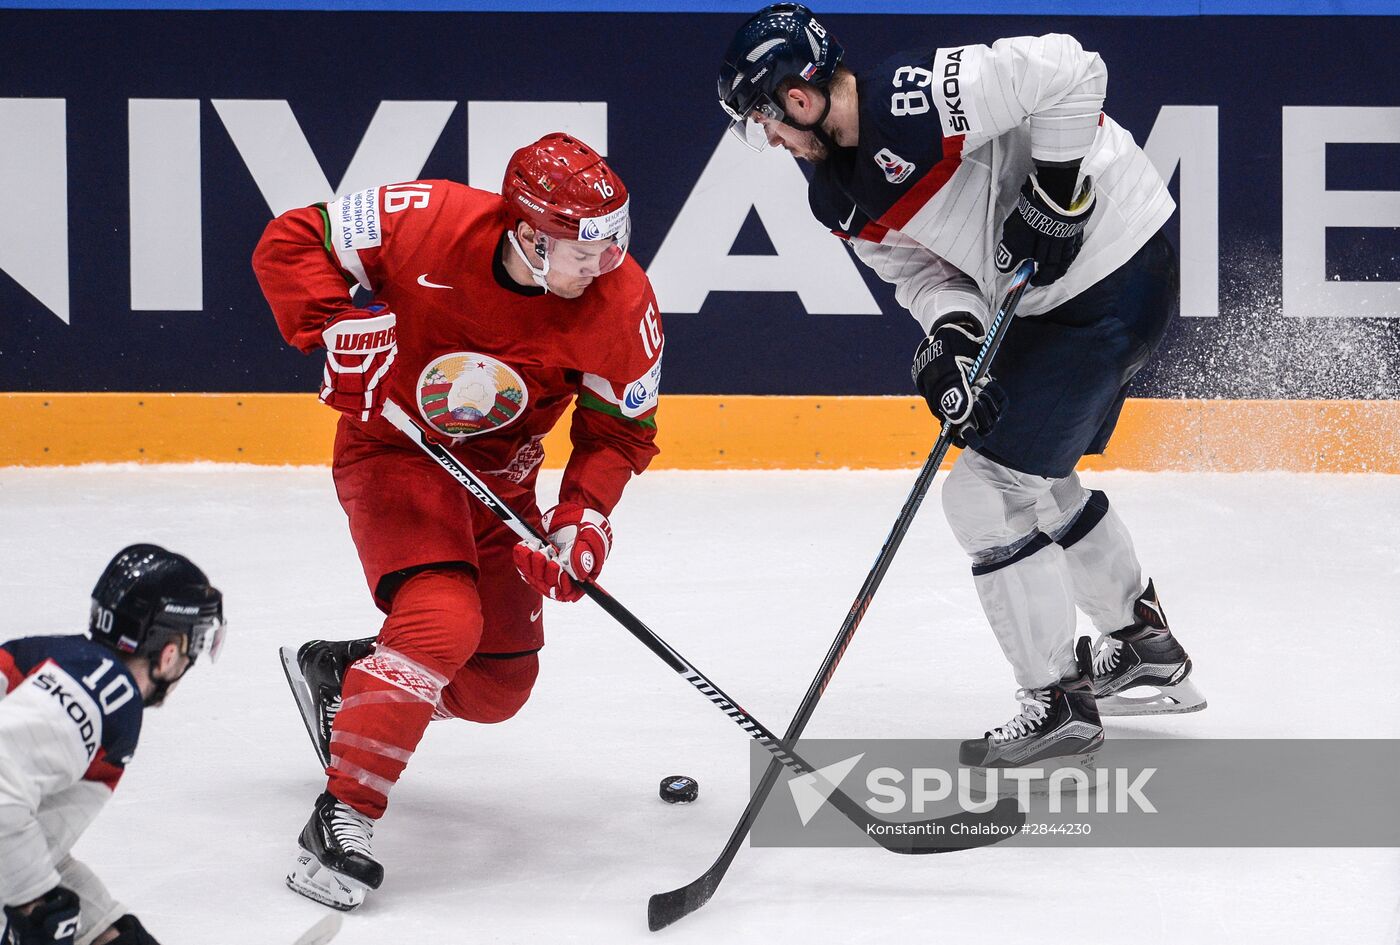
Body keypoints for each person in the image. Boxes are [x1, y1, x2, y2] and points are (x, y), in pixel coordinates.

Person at [717, 5, 1205, 771]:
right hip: (1066, 302)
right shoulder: (835, 197)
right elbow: (923, 276)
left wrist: (1055, 188)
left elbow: (1072, 69)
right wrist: (951, 342)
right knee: (1035, 480)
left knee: (984, 495)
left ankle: (1058, 703)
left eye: (764, 117)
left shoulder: (915, 94)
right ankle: (1142, 643)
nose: (770, 138)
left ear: (797, 94)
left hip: (1110, 274)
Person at [253, 133, 663, 910]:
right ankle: (341, 815)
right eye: (585, 250)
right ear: (530, 237)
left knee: (500, 683)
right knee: (445, 619)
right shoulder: (427, 219)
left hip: (501, 482)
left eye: (614, 244)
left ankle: (350, 677)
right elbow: (292, 239)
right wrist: (333, 321)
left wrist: (581, 521)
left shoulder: (623, 302)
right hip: (394, 451)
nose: (605, 264)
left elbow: (618, 432)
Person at [0, 544, 225, 945]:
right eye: (196, 644)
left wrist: (103, 928)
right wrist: (35, 905)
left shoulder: (67, 661)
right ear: (169, 652)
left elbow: (31, 839)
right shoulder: (105, 692)